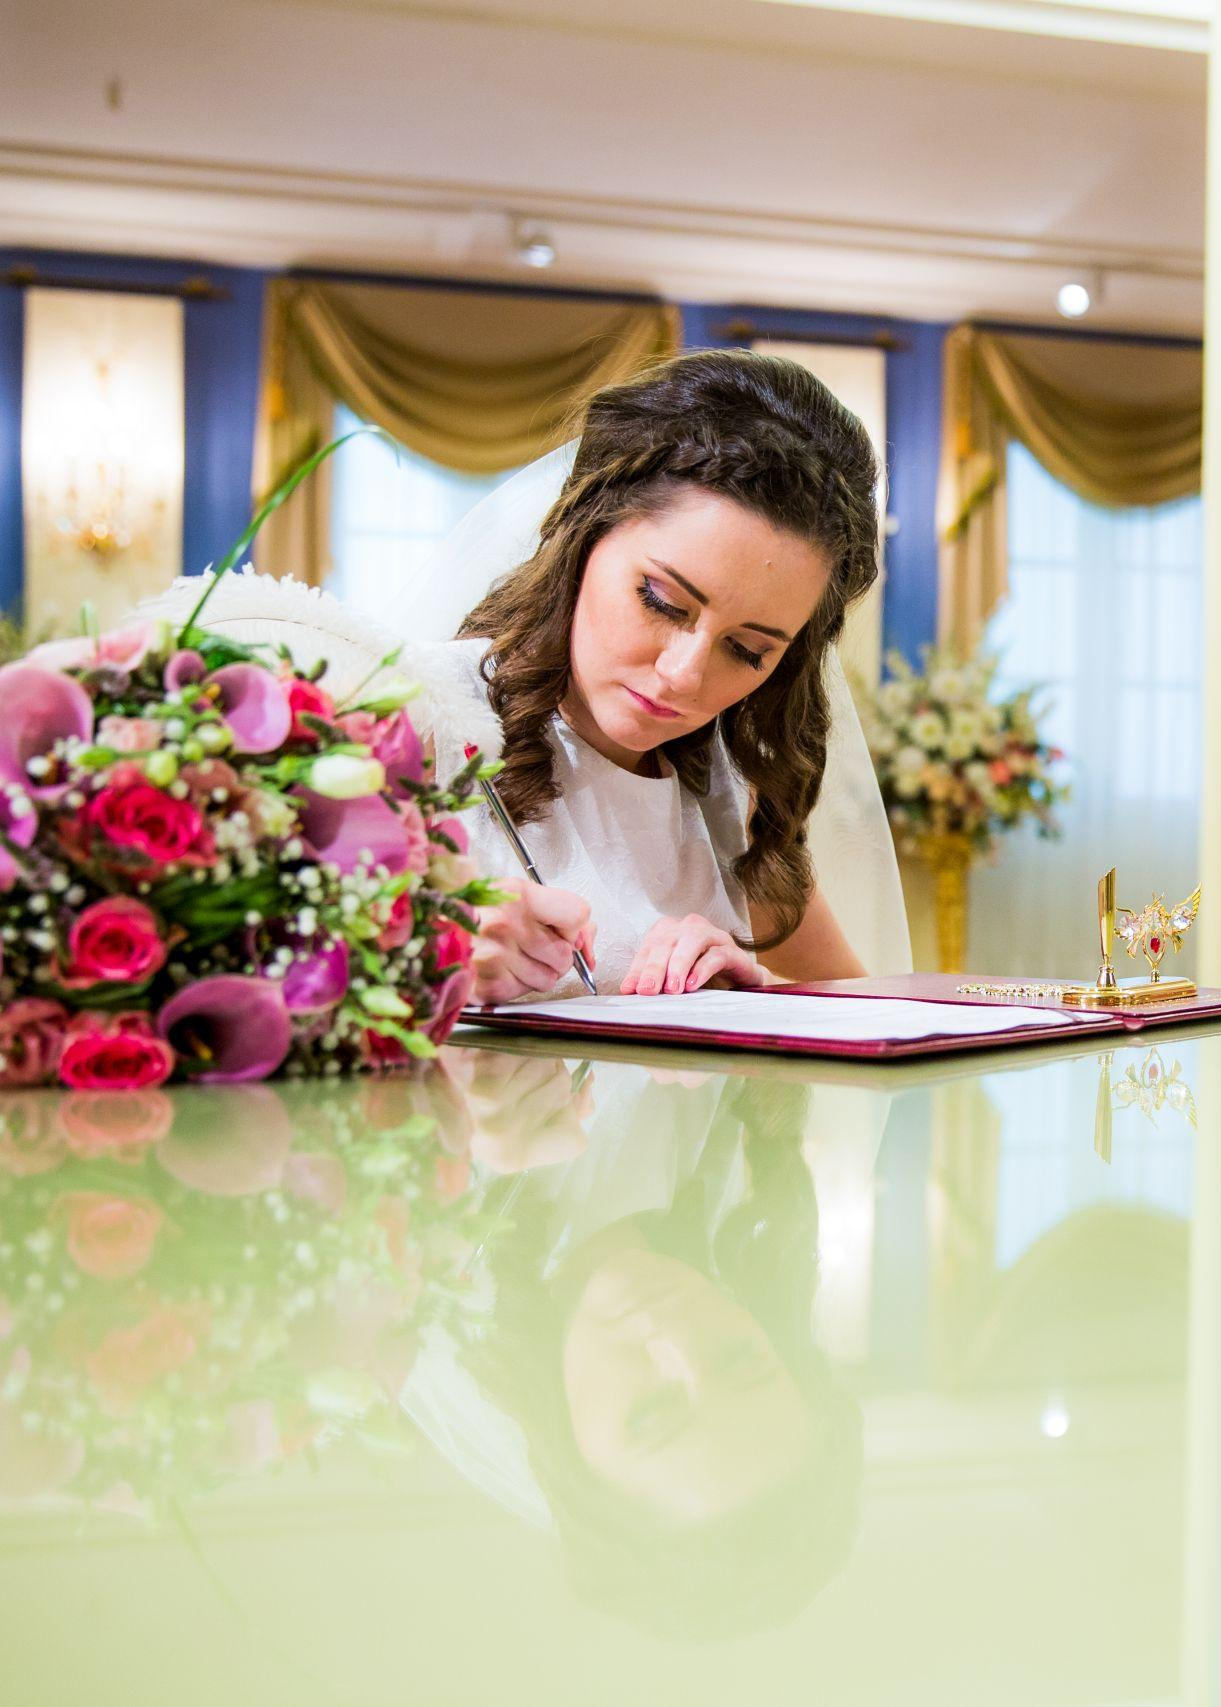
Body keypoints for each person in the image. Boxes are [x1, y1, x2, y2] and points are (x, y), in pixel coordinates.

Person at [142, 349, 903, 1002]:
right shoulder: (405, 719)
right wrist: (415, 957)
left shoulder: (728, 803)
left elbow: (877, 1022)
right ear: (583, 532)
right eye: (662, 601)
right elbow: (203, 979)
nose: (683, 675)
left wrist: (758, 995)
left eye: (748, 650)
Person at [405, 1060, 864, 1640]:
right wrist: (755, 978)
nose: (672, 1338)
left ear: (575, 1461)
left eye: (652, 1415)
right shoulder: (706, 1155)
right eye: (740, 1359)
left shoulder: (418, 1259)